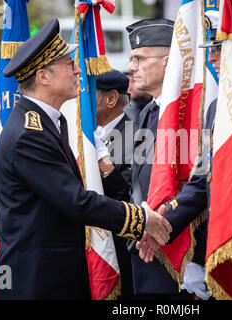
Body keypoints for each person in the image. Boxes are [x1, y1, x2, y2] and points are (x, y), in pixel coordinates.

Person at [0, 18, 172, 300]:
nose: (79, 70)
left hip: (54, 275)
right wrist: (140, 220)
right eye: (69, 63)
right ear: (43, 76)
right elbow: (75, 201)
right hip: (37, 280)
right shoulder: (29, 133)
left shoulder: (49, 123)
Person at [136, 12, 232, 299]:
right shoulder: (215, 107)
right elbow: (201, 180)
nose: (213, 59)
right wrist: (163, 221)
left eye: (219, 50)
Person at [126, 18, 189, 299]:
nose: (132, 67)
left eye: (139, 58)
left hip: (180, 249)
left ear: (167, 62)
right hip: (147, 246)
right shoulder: (148, 112)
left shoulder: (190, 111)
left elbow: (199, 182)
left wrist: (157, 227)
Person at [94, 69, 137, 298]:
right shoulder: (88, 133)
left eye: (91, 92)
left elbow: (130, 196)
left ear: (111, 99)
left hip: (120, 252)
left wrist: (105, 166)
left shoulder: (136, 135)